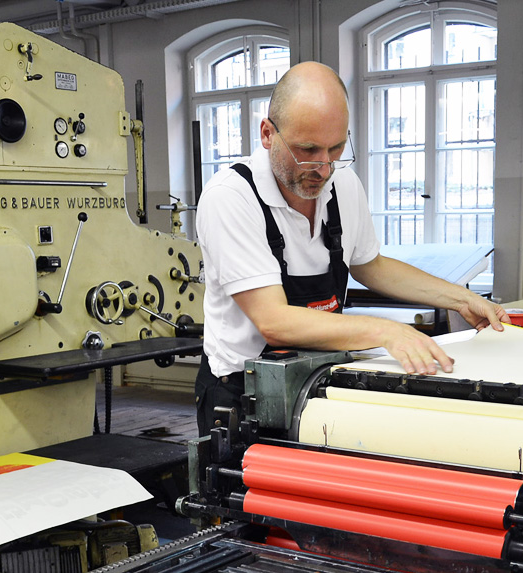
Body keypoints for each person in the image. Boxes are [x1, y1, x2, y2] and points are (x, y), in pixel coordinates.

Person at [194, 61, 507, 436]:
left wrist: (457, 298)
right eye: (307, 150)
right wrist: (387, 332)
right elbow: (274, 321)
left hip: (317, 380)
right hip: (241, 396)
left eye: (336, 148)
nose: (324, 169)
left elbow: (370, 265)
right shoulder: (230, 197)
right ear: (267, 134)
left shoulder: (343, 184)